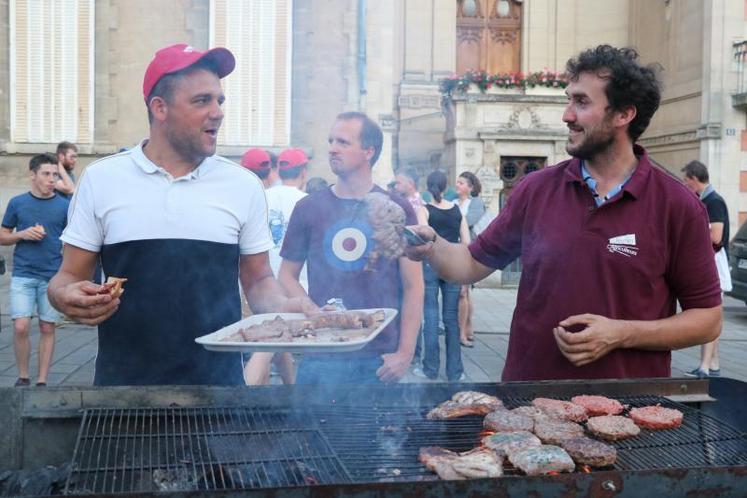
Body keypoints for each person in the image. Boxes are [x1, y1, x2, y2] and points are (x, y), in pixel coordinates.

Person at [404, 45, 722, 381]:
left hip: (631, 414)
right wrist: (432, 246)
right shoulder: (536, 189)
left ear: (624, 114)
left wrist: (621, 333)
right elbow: (469, 264)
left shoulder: (677, 205)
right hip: (528, 407)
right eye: (569, 100)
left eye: (581, 102)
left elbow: (708, 320)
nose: (567, 115)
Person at [47, 43, 316, 386]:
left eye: (220, 101)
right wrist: (62, 297)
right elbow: (67, 276)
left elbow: (259, 279)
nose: (217, 112)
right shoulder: (103, 179)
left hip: (220, 393)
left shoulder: (242, 184)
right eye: (202, 100)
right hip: (122, 390)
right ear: (160, 108)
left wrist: (284, 305)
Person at [278, 111, 424, 384]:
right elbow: (286, 275)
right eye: (331, 140)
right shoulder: (308, 208)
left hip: (379, 356)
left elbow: (414, 285)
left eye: (343, 142)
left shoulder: (397, 208)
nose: (332, 148)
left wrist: (405, 353)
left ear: (369, 150)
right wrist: (311, 309)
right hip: (321, 352)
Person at [0, 153, 69, 386]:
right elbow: (3, 235)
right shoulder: (18, 202)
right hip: (23, 273)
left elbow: (74, 239)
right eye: (46, 174)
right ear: (33, 175)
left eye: (55, 175)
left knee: (47, 326)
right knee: (20, 326)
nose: (52, 179)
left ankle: (41, 380)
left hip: (52, 275)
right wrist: (21, 234)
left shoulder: (64, 206)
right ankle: (22, 376)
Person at [244, 147, 309, 386]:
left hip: (263, 285)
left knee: (277, 344)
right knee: (266, 347)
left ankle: (292, 392)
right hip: (297, 287)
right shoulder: (307, 202)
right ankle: (244, 401)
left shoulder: (263, 197)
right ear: (304, 172)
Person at [412, 170, 470, 381]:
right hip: (454, 267)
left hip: (431, 266)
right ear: (446, 188)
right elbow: (467, 244)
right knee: (451, 321)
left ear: (429, 187)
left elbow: (424, 237)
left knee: (431, 319)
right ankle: (455, 372)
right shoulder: (457, 211)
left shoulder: (423, 210)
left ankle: (430, 369)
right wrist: (465, 276)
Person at [681, 160, 730, 379]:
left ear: (693, 178)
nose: (684, 184)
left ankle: (704, 367)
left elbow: (716, 236)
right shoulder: (706, 199)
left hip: (714, 263)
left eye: (686, 180)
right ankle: (714, 364)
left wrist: (690, 235)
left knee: (709, 314)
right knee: (713, 313)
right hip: (710, 260)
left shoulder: (714, 201)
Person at [455, 171, 485, 348]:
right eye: (457, 182)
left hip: (469, 250)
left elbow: (471, 221)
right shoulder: (452, 202)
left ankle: (464, 329)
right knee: (466, 292)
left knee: (464, 291)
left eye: (461, 183)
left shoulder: (475, 203)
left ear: (470, 187)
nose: (457, 185)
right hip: (454, 250)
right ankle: (468, 327)